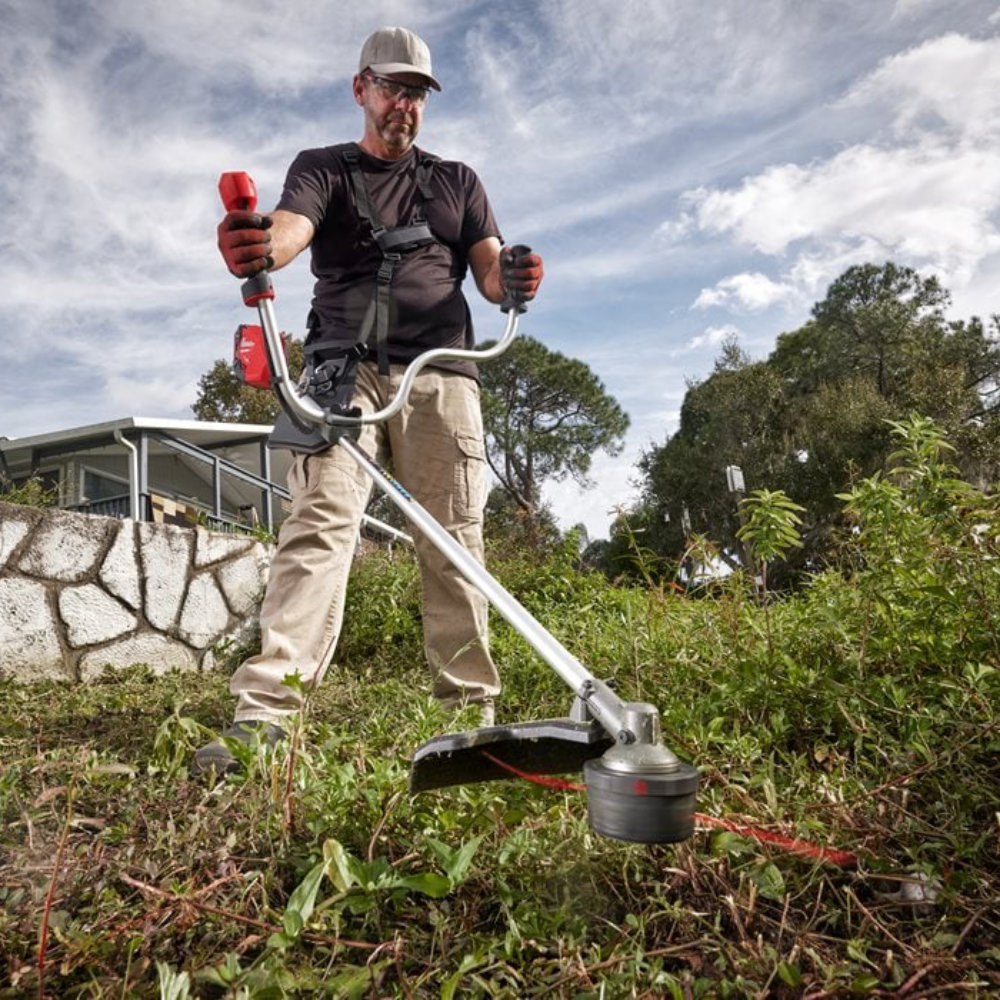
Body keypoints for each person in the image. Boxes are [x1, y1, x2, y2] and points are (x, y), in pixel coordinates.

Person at [194, 26, 544, 776]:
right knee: (319, 529)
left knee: (453, 535)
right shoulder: (322, 168)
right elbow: (290, 230)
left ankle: (470, 717)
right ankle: (266, 717)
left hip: (442, 373)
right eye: (391, 88)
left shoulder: (458, 181)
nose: (404, 106)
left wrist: (514, 276)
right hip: (340, 372)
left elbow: (488, 271)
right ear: (361, 88)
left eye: (416, 93)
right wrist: (258, 243)